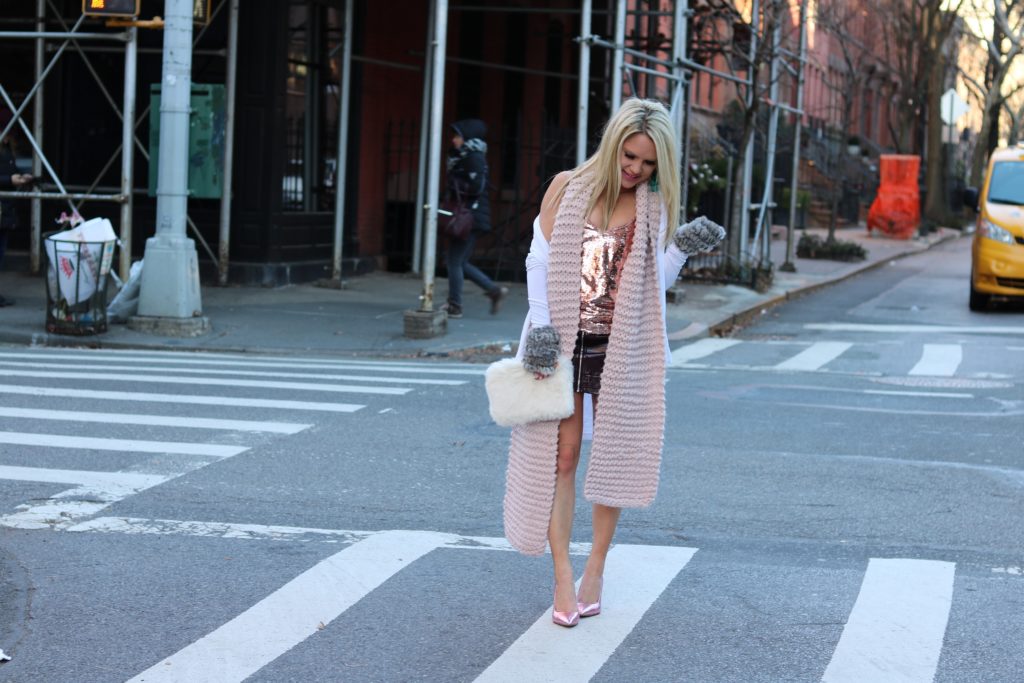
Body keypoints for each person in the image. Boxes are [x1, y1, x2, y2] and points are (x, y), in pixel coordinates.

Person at [503, 98, 724, 627]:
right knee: (562, 456)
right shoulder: (566, 186)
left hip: (621, 346)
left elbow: (655, 283)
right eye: (630, 156)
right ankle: (561, 573)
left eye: (648, 163)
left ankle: (595, 567)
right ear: (613, 144)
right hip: (560, 341)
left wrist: (682, 250)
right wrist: (541, 329)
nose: (636, 170)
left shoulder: (653, 205)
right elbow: (538, 257)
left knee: (616, 456)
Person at [442, 119, 507, 318]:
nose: (454, 140)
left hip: (469, 217)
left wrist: (456, 183)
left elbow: (477, 186)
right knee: (459, 261)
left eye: (457, 136)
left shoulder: (474, 157)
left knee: (453, 262)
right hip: (469, 215)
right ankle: (494, 290)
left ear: (467, 138)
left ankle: (455, 306)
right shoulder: (464, 156)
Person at [0, 112, 34, 307]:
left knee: (2, 250)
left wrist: (21, 177)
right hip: (2, 206)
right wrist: (10, 180)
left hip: (5, 209)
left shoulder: (7, 150)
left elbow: (10, 171)